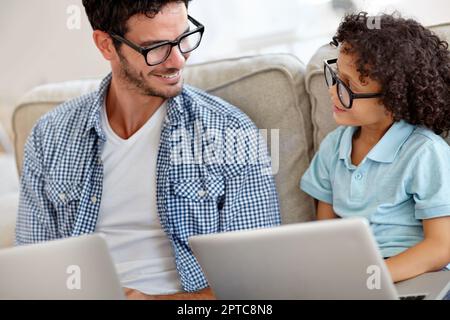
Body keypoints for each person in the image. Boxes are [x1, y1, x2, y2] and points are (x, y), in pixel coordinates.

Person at [16, 0, 281, 300]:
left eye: (183, 38)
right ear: (106, 45)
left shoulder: (231, 131)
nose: (177, 61)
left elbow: (257, 288)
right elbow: (34, 271)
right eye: (156, 48)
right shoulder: (48, 136)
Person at [301, 12, 450, 283]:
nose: (333, 92)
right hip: (355, 277)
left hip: (413, 276)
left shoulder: (425, 152)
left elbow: (441, 247)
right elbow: (326, 232)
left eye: (349, 87)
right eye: (336, 77)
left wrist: (372, 277)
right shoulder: (333, 147)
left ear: (394, 100)